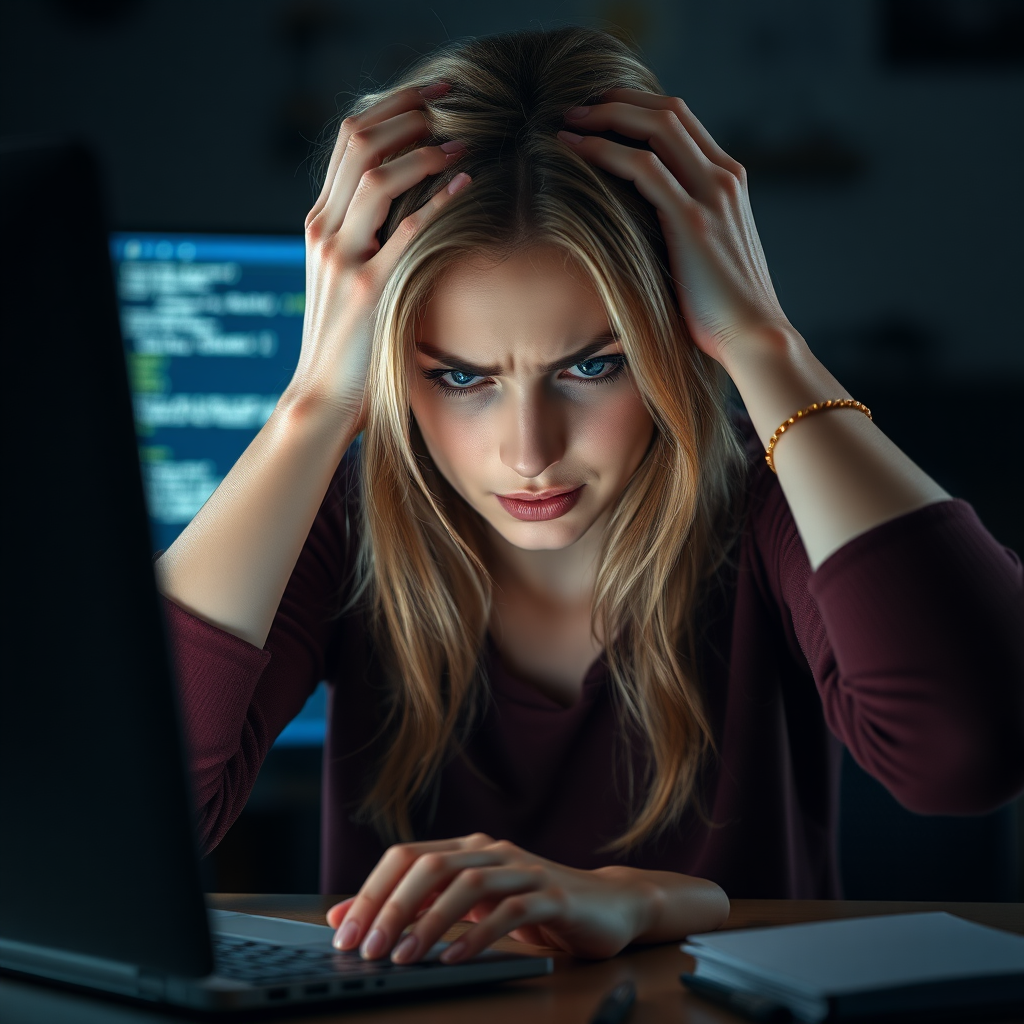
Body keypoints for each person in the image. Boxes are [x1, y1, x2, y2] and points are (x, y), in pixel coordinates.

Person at [157, 26, 1024, 967]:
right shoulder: (352, 515)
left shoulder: (766, 501)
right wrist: (315, 405)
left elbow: (969, 752)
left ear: (671, 334)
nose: (529, 452)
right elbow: (134, 807)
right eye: (458, 377)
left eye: (593, 365)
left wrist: (765, 342)